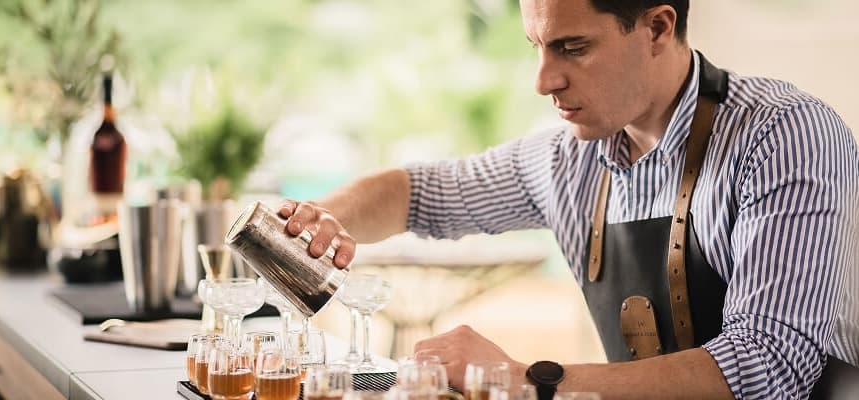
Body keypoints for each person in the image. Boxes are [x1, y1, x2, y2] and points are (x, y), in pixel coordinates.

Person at [277, 0, 859, 398]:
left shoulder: (782, 135)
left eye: (572, 47)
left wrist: (527, 380)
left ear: (657, 27)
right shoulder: (568, 158)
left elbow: (768, 369)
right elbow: (421, 193)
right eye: (536, 45)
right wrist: (328, 217)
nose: (543, 80)